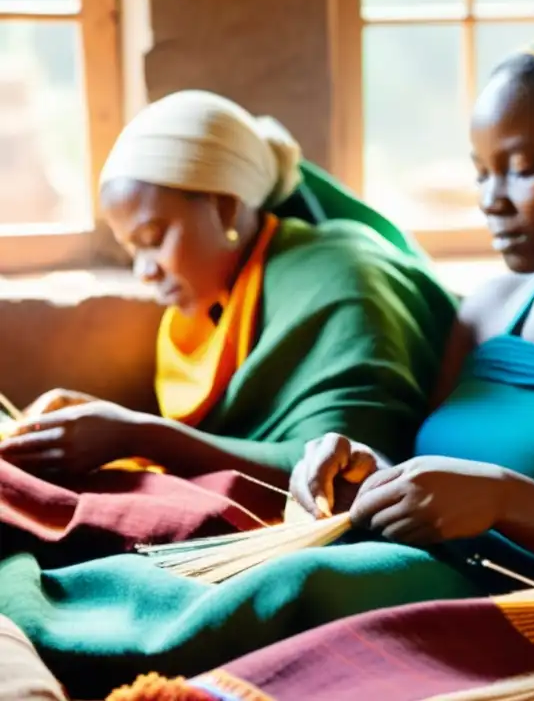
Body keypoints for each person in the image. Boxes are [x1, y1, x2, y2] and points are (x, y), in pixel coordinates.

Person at [0, 28, 534, 699]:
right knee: (146, 565)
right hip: (426, 557)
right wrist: (353, 465)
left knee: (298, 589)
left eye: (524, 166)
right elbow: (418, 466)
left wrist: (506, 501)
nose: (493, 198)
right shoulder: (489, 305)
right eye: (481, 170)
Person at [0, 90, 456, 563]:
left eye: (153, 239)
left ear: (225, 209)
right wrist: (99, 426)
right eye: (131, 249)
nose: (145, 270)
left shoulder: (342, 281)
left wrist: (136, 434)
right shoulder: (221, 297)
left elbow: (342, 476)